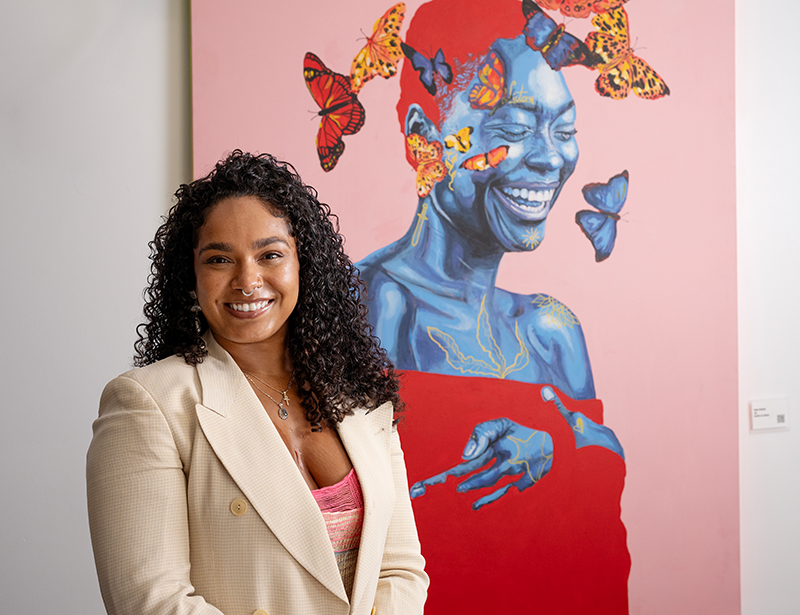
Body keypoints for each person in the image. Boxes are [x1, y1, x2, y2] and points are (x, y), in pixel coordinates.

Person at [354, 0, 629, 612]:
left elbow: (605, 491)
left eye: (564, 129)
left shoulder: (551, 330)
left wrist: (555, 448)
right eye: (512, 128)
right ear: (425, 137)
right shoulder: (366, 307)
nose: (550, 158)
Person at [86, 151, 429, 615]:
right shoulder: (148, 403)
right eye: (220, 259)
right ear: (192, 274)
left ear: (304, 263)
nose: (248, 281)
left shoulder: (361, 397)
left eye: (270, 254)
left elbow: (399, 569)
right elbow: (151, 602)